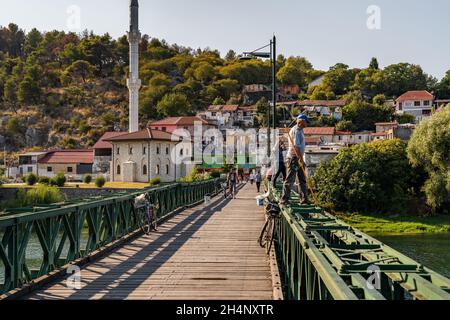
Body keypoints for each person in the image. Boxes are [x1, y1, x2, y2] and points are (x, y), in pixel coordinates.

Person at [281, 114, 311, 205]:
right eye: (306, 122)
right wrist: (301, 159)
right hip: (294, 158)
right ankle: (284, 200)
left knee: (302, 179)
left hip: (297, 157)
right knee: (290, 179)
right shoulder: (297, 131)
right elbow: (296, 147)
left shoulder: (298, 130)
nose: (307, 125)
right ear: (301, 122)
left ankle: (304, 199)